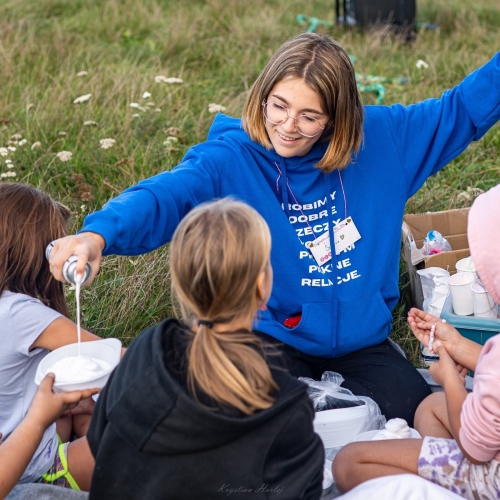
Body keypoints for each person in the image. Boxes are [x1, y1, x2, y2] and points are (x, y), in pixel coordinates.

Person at [48, 32, 500, 425]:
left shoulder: (384, 141)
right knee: (247, 421)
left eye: (310, 116)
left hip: (365, 345)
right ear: (262, 96)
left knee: (414, 409)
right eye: (278, 106)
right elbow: (165, 195)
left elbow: (462, 109)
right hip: (272, 341)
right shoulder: (232, 158)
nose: (287, 126)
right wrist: (98, 234)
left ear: (337, 118)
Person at [86, 198, 325, 499]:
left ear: (183, 284)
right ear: (261, 285)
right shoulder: (284, 405)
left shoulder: (146, 350)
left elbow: (99, 441)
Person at [332, 183, 500, 499]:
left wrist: (450, 380)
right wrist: (457, 345)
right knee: (432, 407)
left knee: (348, 462)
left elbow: (475, 449)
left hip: (491, 473)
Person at [0, 183, 106, 492]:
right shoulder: (19, 313)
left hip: (14, 439)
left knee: (77, 412)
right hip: (30, 468)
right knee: (141, 446)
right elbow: (112, 356)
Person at [1, 374, 98, 500]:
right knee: (123, 450)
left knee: (72, 401)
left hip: (37, 444)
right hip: (33, 473)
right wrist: (38, 419)